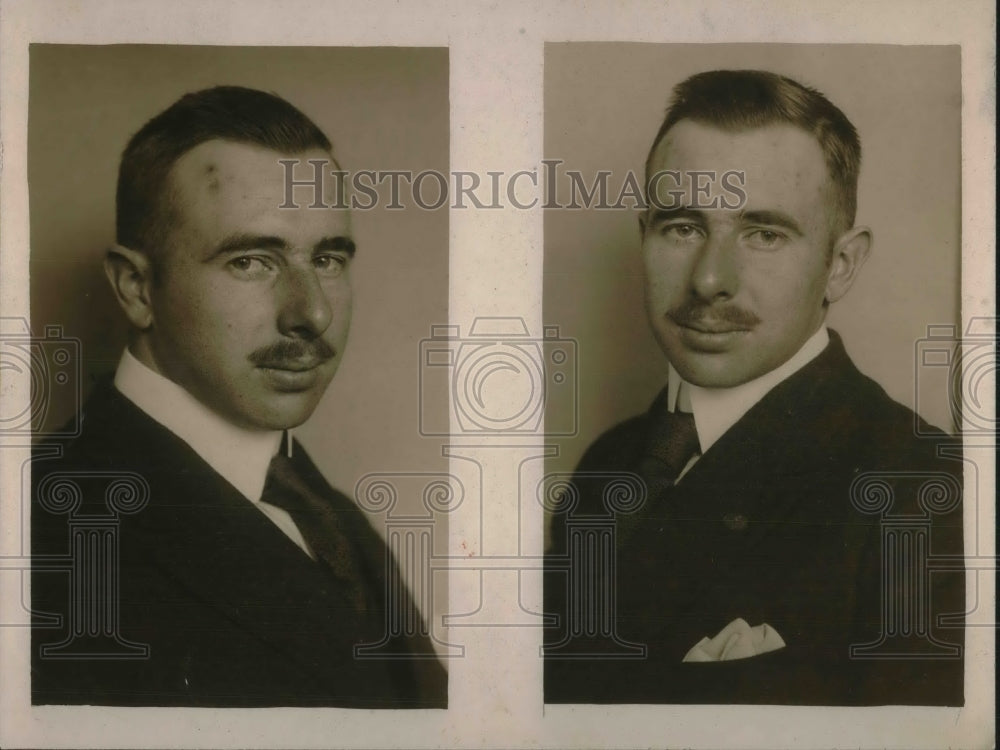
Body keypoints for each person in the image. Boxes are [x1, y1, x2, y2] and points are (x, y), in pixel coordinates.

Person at [544, 70, 964, 705]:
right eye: (683, 227)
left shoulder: (928, 497)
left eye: (764, 234)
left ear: (841, 265)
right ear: (644, 236)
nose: (709, 280)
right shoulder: (606, 467)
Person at [31, 86, 446, 708]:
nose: (313, 312)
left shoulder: (319, 506)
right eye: (252, 261)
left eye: (328, 259)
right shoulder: (41, 541)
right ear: (136, 288)